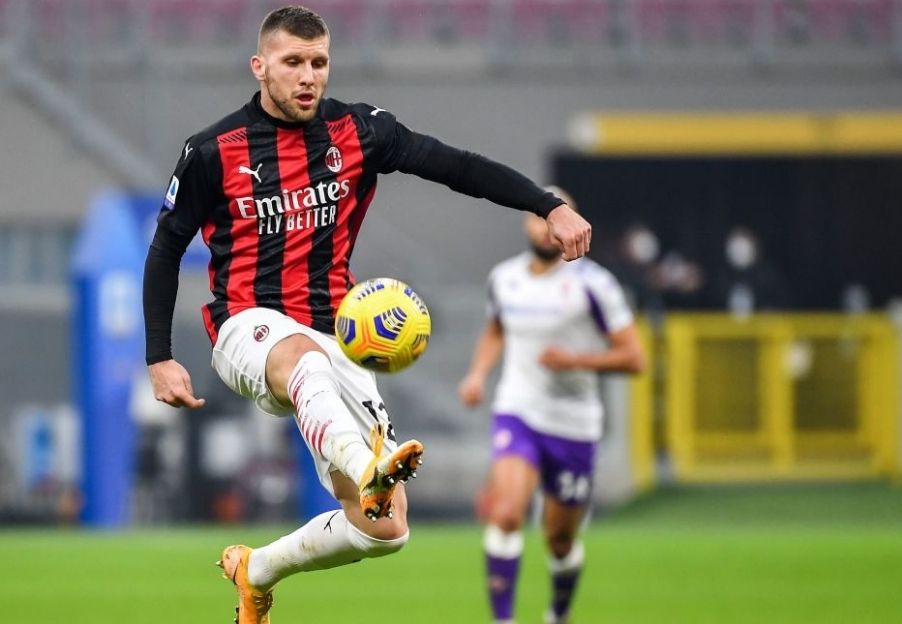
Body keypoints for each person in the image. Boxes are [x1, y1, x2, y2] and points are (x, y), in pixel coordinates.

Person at [142, 7, 591, 624]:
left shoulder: (359, 131)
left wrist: (547, 205)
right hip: (249, 324)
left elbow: (456, 166)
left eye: (318, 62)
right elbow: (166, 248)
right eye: (293, 62)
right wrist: (160, 356)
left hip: (338, 333)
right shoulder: (214, 151)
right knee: (301, 360)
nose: (308, 76)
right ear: (260, 67)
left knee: (385, 530)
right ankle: (366, 466)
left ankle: (258, 570)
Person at [458, 188, 644, 624]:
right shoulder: (504, 278)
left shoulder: (594, 284)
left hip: (574, 423)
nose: (545, 227)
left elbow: (634, 358)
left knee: (559, 540)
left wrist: (576, 360)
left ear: (572, 223)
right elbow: (496, 329)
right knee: (506, 514)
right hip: (519, 409)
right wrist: (477, 374)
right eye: (537, 217)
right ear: (526, 222)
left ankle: (558, 613)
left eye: (555, 218)